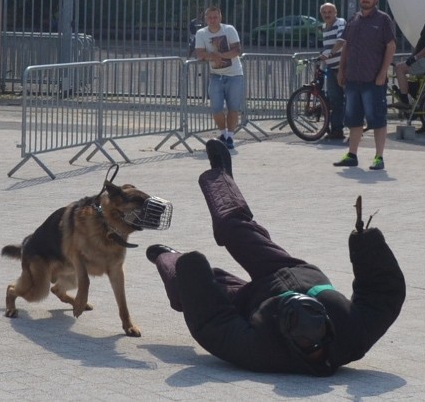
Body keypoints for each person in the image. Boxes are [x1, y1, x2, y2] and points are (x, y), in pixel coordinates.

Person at [146, 140, 405, 375]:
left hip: (248, 301)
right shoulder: (352, 334)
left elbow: (212, 322)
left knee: (191, 286)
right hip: (290, 269)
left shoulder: (261, 351)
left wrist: (187, 268)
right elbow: (383, 294)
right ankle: (221, 175)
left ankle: (166, 256)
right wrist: (367, 244)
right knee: (234, 228)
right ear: (327, 324)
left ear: (284, 333)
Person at [334, 0, 397, 171]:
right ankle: (352, 155)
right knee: (353, 119)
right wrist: (341, 70)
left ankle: (379, 157)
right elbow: (346, 46)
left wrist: (382, 73)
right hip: (353, 78)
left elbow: (391, 47)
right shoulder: (353, 19)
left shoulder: (384, 20)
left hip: (373, 80)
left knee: (377, 119)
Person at [193, 6, 243, 149]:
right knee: (216, 108)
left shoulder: (229, 29)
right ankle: (223, 132)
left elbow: (237, 50)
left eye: (215, 17)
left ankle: (230, 137)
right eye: (210, 17)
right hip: (216, 75)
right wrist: (212, 56)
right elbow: (200, 54)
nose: (213, 20)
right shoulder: (201, 33)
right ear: (205, 19)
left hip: (234, 74)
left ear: (220, 18)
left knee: (233, 107)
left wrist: (219, 56)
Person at [318, 3, 347, 141]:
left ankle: (356, 129)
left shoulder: (340, 22)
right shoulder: (324, 27)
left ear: (336, 12)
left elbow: (342, 41)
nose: (327, 14)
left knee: (351, 99)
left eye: (330, 11)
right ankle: (337, 131)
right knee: (335, 101)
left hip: (344, 67)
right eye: (324, 12)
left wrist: (329, 54)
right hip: (331, 68)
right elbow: (327, 46)